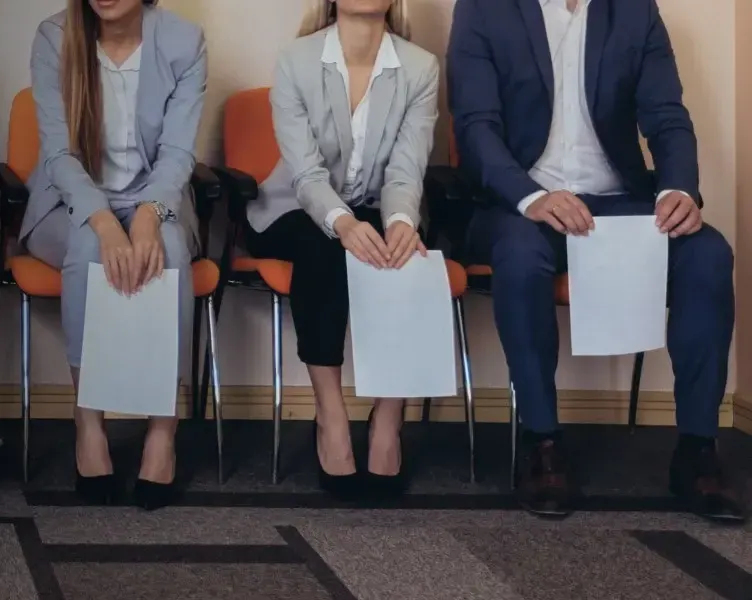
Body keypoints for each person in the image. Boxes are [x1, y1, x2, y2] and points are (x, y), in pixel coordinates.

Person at [449, 0, 738, 521]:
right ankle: (542, 443)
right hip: (519, 205)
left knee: (709, 255)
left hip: (618, 201)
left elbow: (667, 116)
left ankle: (698, 449)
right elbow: (475, 126)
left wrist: (679, 188)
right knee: (519, 256)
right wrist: (531, 197)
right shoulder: (483, 8)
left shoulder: (634, 10)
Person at [248, 0, 436, 502]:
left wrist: (399, 223)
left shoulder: (419, 67)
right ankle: (330, 412)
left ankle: (388, 416)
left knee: (408, 249)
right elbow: (306, 174)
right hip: (293, 208)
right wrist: (344, 224)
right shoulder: (296, 60)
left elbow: (405, 170)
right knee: (325, 247)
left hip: (378, 203)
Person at [20, 0, 205, 510]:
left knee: (168, 253)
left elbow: (178, 153)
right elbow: (58, 154)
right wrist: (103, 222)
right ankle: (88, 424)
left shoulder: (183, 41)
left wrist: (148, 215)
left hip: (157, 198)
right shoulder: (55, 38)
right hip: (70, 204)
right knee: (87, 250)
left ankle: (162, 433)